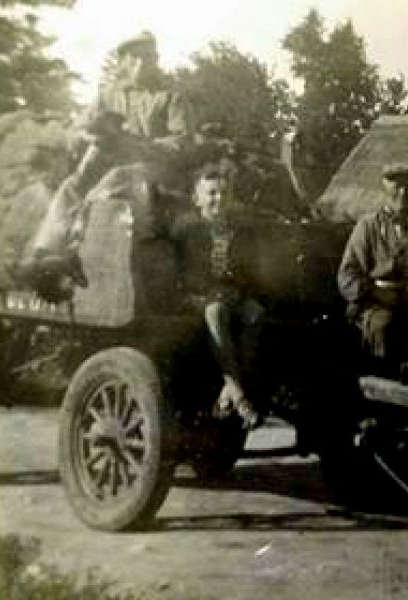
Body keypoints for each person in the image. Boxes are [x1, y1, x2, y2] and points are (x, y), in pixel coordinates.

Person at [20, 31, 195, 300]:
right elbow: (79, 128)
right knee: (71, 185)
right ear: (124, 61)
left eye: (149, 57)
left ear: (157, 59)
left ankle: (76, 248)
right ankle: (44, 254)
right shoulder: (108, 95)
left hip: (156, 171)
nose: (143, 64)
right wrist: (93, 134)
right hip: (111, 167)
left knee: (118, 176)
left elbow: (183, 144)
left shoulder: (171, 97)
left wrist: (136, 144)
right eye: (136, 57)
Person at [174, 161, 263, 429]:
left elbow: (248, 270)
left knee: (255, 314)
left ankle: (227, 393)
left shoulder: (239, 231)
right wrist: (203, 292)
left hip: (228, 294)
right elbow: (179, 270)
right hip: (196, 296)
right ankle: (239, 395)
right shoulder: (186, 229)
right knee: (216, 312)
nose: (218, 199)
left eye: (224, 193)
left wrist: (237, 290)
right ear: (197, 197)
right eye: (211, 193)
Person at [337, 163, 408, 375]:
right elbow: (347, 275)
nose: (403, 193)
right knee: (386, 324)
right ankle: (382, 378)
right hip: (374, 302)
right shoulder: (368, 226)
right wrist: (376, 293)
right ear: (387, 189)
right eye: (397, 187)